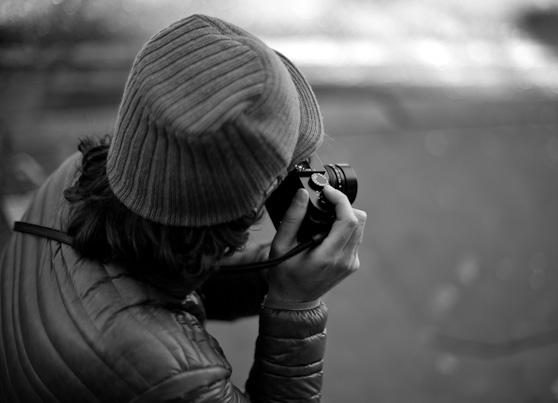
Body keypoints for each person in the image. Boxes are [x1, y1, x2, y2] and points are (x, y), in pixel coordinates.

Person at [0, 14, 366, 403]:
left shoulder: (74, 177)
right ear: (243, 209)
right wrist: (296, 306)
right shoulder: (174, 373)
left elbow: (168, 280)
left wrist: (282, 274)